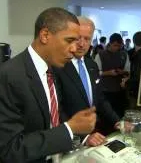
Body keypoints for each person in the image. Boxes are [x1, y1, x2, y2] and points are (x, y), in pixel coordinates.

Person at [0, 7, 97, 163]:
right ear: (45, 35)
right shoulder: (9, 77)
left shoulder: (52, 70)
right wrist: (70, 128)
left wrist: (82, 136)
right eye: (69, 41)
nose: (75, 48)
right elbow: (12, 149)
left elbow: (52, 115)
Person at [54, 17, 133, 147]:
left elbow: (99, 99)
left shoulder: (91, 64)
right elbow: (57, 110)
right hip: (69, 138)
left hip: (92, 131)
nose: (82, 44)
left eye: (87, 39)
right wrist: (83, 137)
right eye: (78, 38)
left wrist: (118, 121)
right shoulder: (58, 66)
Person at [94, 33, 129, 118]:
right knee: (107, 116)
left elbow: (128, 70)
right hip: (105, 91)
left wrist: (122, 72)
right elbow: (95, 72)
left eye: (119, 46)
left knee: (120, 114)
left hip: (120, 90)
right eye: (115, 45)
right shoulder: (100, 55)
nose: (116, 48)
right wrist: (108, 73)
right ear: (110, 43)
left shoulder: (124, 54)